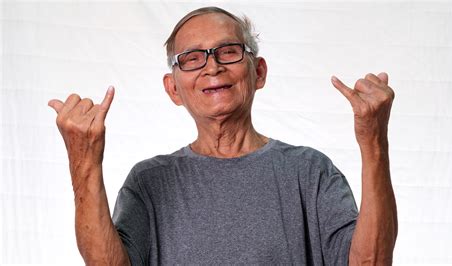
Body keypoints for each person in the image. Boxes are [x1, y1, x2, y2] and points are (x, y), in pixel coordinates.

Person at [48, 6, 397, 265]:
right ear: (173, 89)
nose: (212, 67)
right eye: (192, 58)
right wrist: (84, 163)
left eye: (227, 51)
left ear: (257, 71)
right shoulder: (149, 182)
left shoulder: (310, 172)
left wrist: (374, 143)